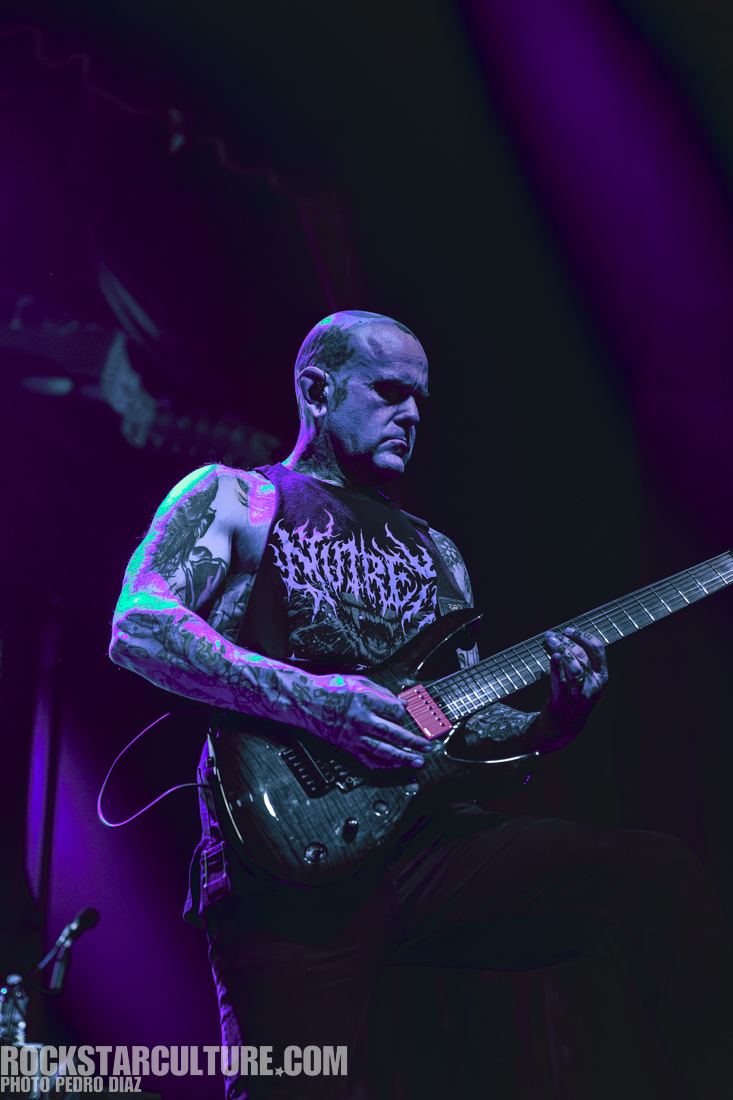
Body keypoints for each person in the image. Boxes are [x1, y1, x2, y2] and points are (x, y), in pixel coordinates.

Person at [110, 311, 732, 1099]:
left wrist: (553, 718)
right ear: (316, 389)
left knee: (653, 876)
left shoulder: (437, 553)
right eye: (389, 391)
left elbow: (458, 730)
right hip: (284, 874)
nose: (410, 414)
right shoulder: (238, 497)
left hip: (426, 850)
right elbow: (138, 625)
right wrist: (316, 700)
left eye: (420, 400)